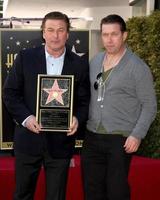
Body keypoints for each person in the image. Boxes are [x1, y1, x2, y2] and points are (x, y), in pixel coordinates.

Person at [3, 11, 90, 200]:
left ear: (68, 33)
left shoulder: (80, 64)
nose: (55, 35)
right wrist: (26, 119)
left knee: (56, 196)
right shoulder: (25, 57)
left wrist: (76, 118)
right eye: (50, 30)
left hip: (61, 143)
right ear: (43, 32)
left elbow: (84, 101)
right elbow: (10, 93)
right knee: (22, 194)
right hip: (28, 140)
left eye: (61, 30)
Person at [81, 14, 157, 200]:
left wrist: (137, 134)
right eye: (105, 34)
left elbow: (149, 105)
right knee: (92, 190)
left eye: (114, 34)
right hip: (92, 137)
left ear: (124, 35)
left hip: (120, 139)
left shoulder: (137, 67)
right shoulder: (95, 61)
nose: (109, 39)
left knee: (116, 191)